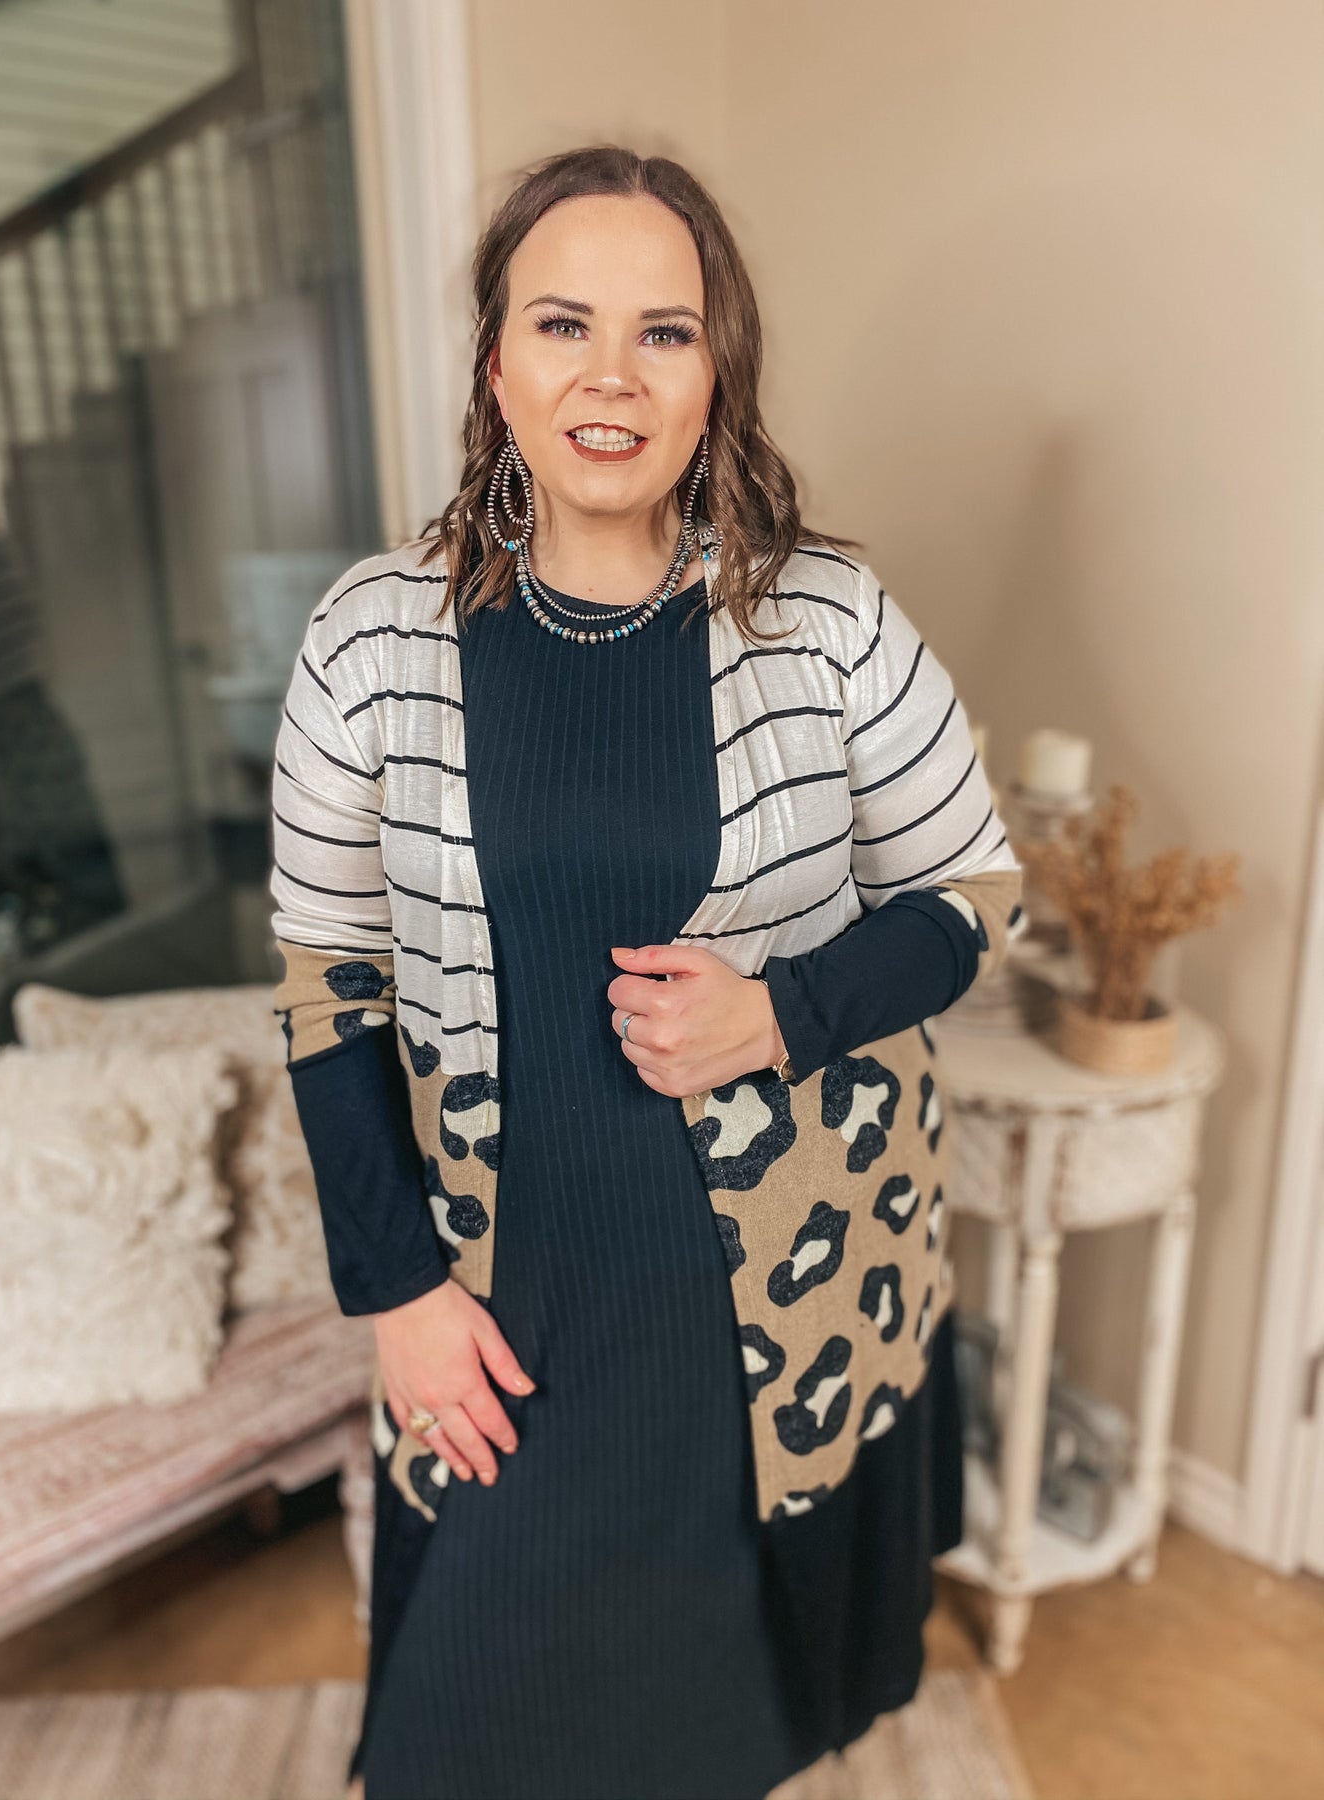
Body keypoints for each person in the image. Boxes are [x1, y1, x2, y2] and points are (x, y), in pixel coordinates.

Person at [269, 144, 1022, 1800]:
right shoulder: (369, 636)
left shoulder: (827, 620)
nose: (609, 375)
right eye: (563, 324)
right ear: (498, 367)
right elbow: (328, 982)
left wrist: (781, 1012)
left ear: (713, 375)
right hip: (500, 1309)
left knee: (713, 1732)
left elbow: (972, 894)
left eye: (661, 332)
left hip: (769, 1319)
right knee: (462, 1736)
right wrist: (392, 1291)